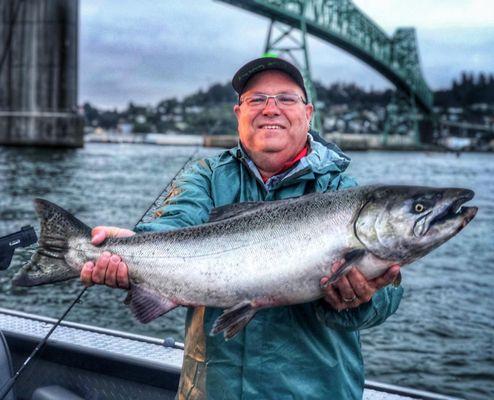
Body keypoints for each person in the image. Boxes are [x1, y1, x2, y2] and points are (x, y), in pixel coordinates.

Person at [80, 57, 403, 399]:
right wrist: (131, 248)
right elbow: (172, 224)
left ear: (308, 114)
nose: (271, 108)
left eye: (286, 98)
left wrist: (365, 297)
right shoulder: (205, 176)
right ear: (239, 114)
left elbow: (391, 293)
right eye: (257, 99)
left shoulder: (342, 191)